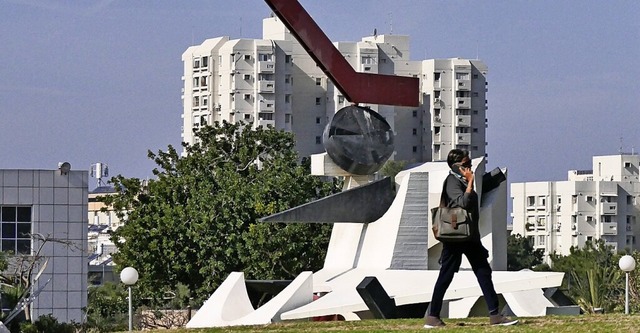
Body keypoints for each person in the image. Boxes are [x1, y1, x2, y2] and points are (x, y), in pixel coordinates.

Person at [424, 149, 518, 329]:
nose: (469, 168)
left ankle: (495, 315)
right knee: (446, 275)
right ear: (456, 167)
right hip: (456, 238)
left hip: (469, 237)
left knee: (483, 272)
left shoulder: (461, 180)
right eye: (465, 165)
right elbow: (464, 203)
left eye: (470, 164)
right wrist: (471, 183)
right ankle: (433, 316)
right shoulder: (452, 181)